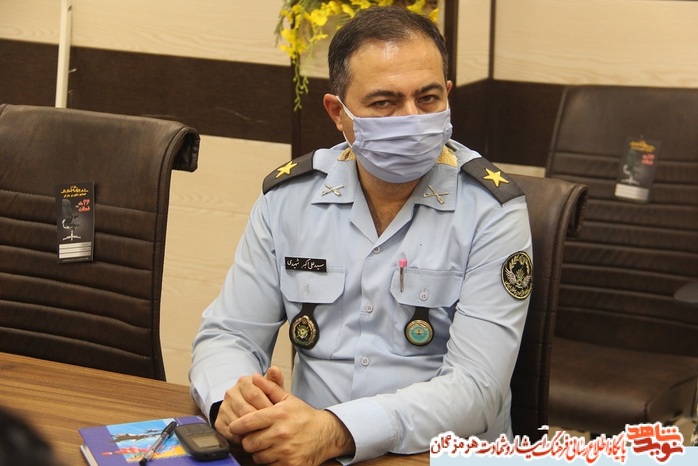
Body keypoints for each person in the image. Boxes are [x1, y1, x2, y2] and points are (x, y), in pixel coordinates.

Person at [189, 6, 532, 466]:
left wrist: (336, 430)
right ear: (339, 113)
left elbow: (477, 389)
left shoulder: (493, 211)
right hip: (308, 453)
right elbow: (228, 334)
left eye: (428, 98)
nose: (411, 118)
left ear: (448, 96)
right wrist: (232, 399)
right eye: (384, 102)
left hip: (435, 454)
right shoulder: (289, 200)